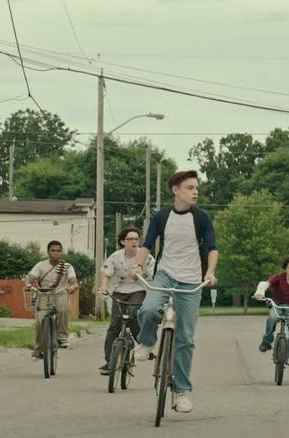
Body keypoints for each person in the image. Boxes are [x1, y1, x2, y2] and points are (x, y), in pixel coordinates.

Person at [129, 170, 218, 414]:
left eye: (196, 188)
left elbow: (212, 247)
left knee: (185, 339)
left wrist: (209, 272)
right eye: (190, 187)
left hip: (191, 281)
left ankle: (181, 392)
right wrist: (138, 265)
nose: (195, 192)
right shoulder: (162, 216)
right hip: (165, 273)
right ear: (175, 190)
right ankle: (147, 342)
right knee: (147, 309)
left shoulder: (202, 218)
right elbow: (147, 244)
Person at [95, 225, 156, 375]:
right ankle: (110, 361)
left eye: (136, 239)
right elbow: (107, 274)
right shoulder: (116, 256)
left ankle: (143, 347)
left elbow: (153, 275)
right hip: (119, 290)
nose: (134, 242)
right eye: (130, 239)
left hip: (138, 289)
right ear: (123, 241)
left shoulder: (146, 257)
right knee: (115, 324)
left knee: (134, 315)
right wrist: (103, 287)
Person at [26, 240, 79, 360]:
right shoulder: (40, 265)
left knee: (64, 309)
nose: (56, 253)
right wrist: (27, 285)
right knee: (39, 323)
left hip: (60, 294)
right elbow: (30, 278)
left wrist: (72, 287)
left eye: (58, 251)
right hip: (44, 295)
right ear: (48, 252)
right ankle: (38, 350)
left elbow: (74, 282)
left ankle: (62, 337)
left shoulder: (67, 266)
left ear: (62, 252)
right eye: (53, 251)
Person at [253, 255, 289, 366]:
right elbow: (265, 284)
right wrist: (260, 292)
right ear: (285, 268)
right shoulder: (279, 277)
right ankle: (267, 341)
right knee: (272, 318)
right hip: (277, 305)